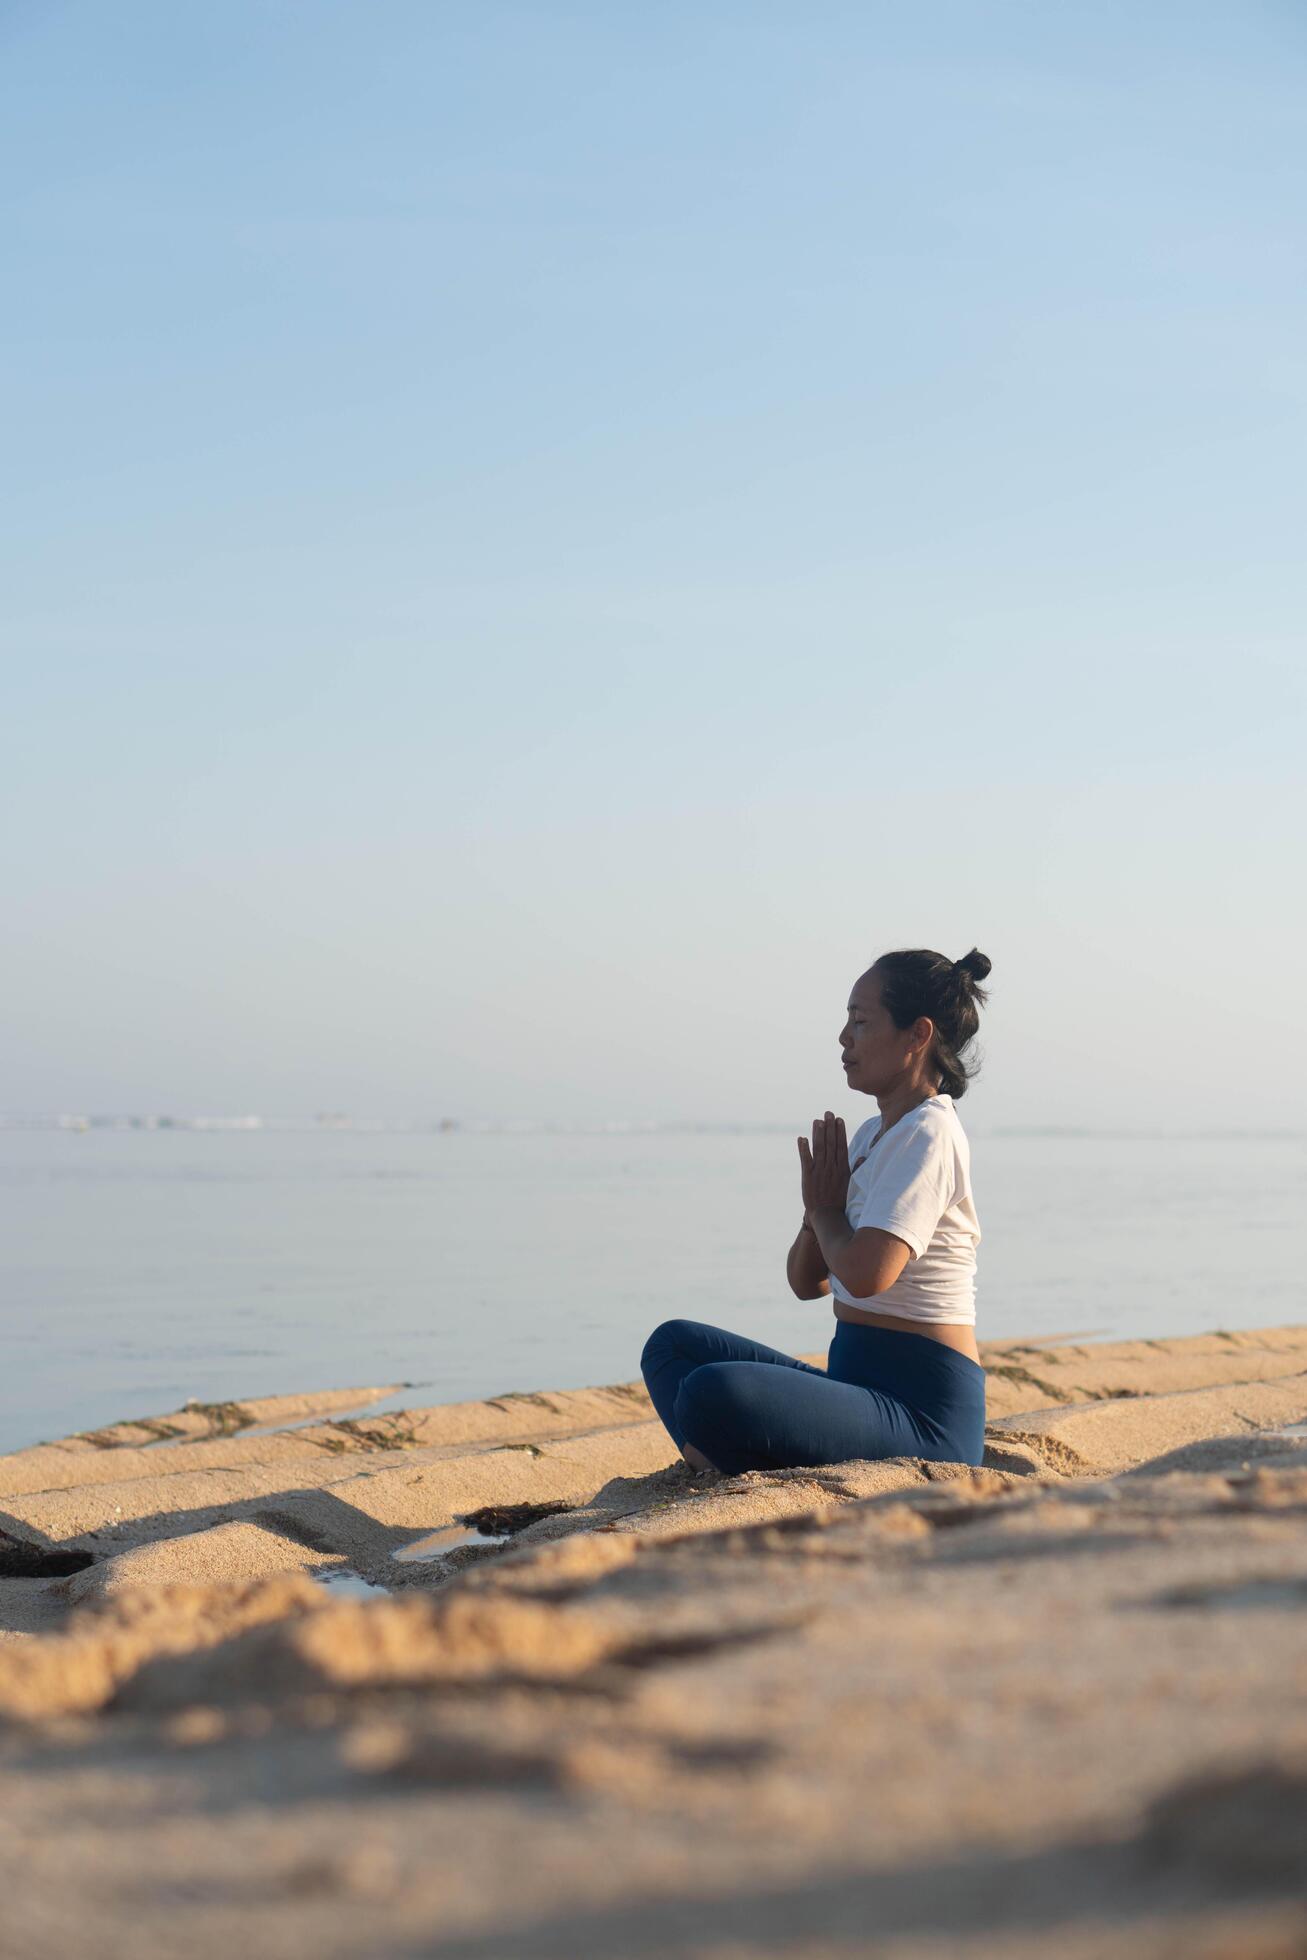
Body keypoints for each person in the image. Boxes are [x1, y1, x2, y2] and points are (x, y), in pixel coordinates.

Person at [640, 948, 992, 1475]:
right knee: (672, 1347)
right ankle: (723, 1457)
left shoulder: (930, 1134)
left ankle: (721, 1459)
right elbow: (809, 1283)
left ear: (918, 1035)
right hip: (857, 1386)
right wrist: (814, 1214)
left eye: (860, 1021)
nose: (844, 1037)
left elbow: (868, 1275)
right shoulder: (875, 1135)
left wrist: (828, 1209)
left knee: (711, 1392)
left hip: (924, 1416)